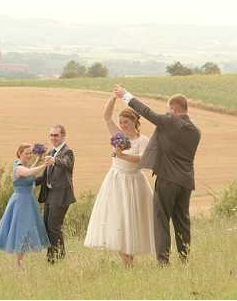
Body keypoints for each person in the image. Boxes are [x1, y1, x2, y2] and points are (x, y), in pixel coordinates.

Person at [114, 85, 201, 265]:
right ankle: (184, 259)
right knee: (182, 221)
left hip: (167, 180)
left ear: (174, 109)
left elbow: (147, 112)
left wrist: (125, 95)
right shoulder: (195, 131)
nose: (168, 113)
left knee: (161, 220)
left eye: (169, 110)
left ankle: (163, 261)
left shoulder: (171, 121)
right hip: (186, 182)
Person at [84, 94, 154, 267]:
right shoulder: (118, 135)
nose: (123, 125)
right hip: (116, 181)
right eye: (121, 122)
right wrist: (114, 98)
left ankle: (130, 260)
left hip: (134, 182)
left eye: (126, 122)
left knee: (132, 219)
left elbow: (143, 159)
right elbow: (106, 116)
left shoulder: (143, 140)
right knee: (117, 218)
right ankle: (126, 262)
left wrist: (122, 156)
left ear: (135, 122)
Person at [0, 143, 50, 268]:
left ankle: (20, 262)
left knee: (27, 228)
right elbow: (28, 173)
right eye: (26, 153)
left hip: (28, 201)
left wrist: (38, 159)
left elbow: (31, 172)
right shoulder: (18, 167)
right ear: (19, 153)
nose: (29, 155)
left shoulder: (25, 166)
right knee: (20, 229)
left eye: (30, 153)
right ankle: (18, 263)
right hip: (20, 202)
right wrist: (45, 164)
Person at [35, 124, 75, 264]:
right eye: (51, 135)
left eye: (56, 135)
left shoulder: (67, 152)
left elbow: (66, 164)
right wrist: (30, 181)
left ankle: (59, 257)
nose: (53, 138)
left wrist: (54, 161)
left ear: (63, 136)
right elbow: (45, 175)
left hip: (62, 195)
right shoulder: (51, 152)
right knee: (46, 226)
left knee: (54, 226)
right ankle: (51, 258)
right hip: (50, 194)